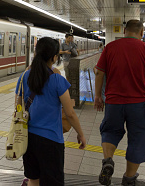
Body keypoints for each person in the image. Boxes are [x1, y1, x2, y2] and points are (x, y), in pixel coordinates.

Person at [94, 20, 145, 186]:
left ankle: (108, 160)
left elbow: (99, 73)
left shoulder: (110, 47)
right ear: (142, 32)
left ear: (124, 31)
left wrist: (97, 97)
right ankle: (129, 178)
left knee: (109, 131)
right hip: (139, 104)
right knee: (139, 138)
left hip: (114, 102)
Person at [16, 37, 86, 186]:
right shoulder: (57, 80)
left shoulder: (24, 77)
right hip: (51, 141)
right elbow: (70, 113)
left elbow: (17, 107)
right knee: (52, 182)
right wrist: (80, 134)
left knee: (33, 179)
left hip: (27, 138)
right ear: (54, 58)